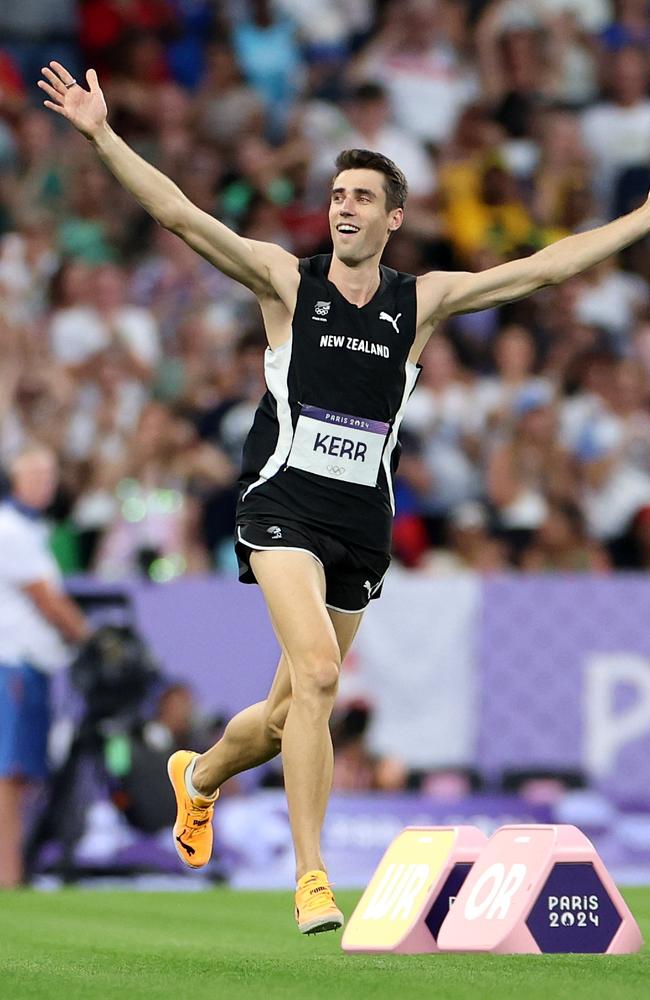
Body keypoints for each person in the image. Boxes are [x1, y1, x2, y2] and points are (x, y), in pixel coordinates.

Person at [39, 59, 650, 933]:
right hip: (280, 502)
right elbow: (176, 214)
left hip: (363, 524)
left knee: (292, 709)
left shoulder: (423, 301)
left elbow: (545, 271)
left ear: (394, 218)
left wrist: (638, 219)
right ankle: (314, 879)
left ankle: (199, 776)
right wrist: (103, 136)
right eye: (337, 195)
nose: (344, 207)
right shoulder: (288, 282)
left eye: (363, 197)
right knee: (322, 673)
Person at [0, 445, 89, 888]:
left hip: (28, 668)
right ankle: (8, 877)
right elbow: (49, 601)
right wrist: (93, 640)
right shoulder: (11, 529)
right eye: (36, 475)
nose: (45, 484)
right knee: (8, 778)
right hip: (12, 666)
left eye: (50, 476)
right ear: (17, 479)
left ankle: (13, 872)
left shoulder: (31, 530)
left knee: (19, 778)